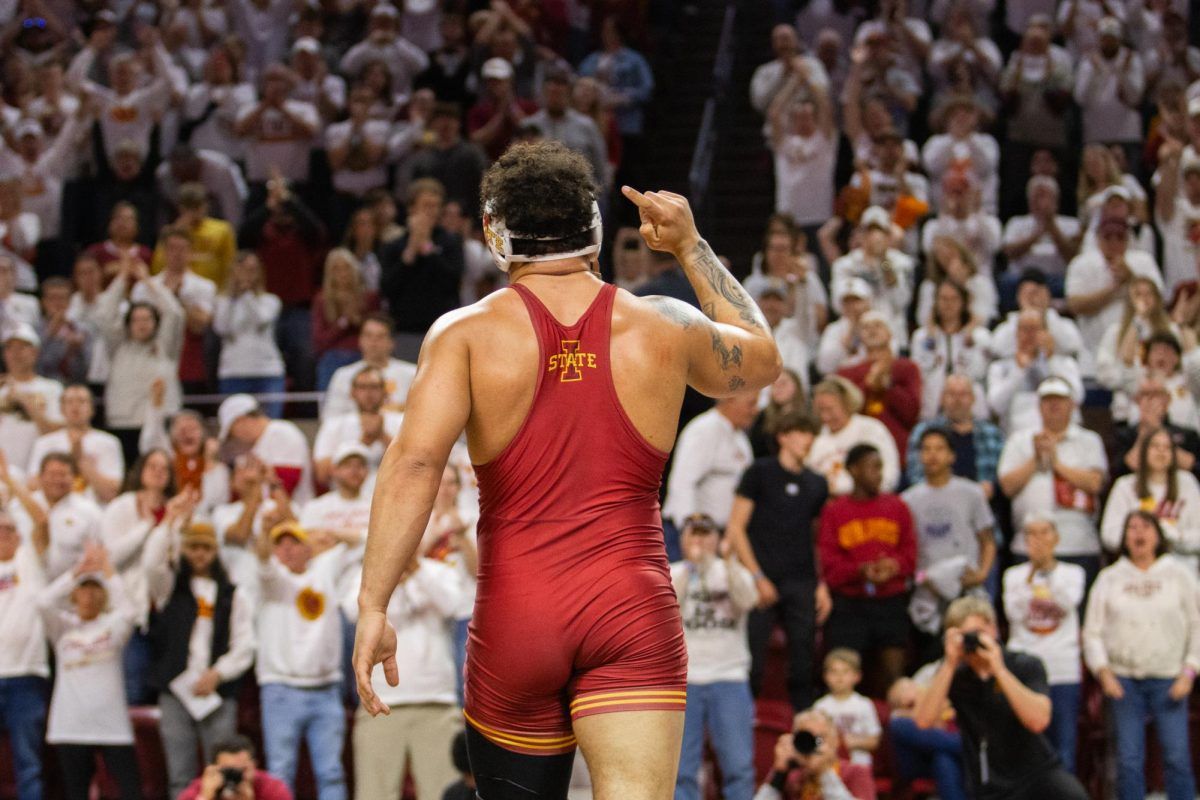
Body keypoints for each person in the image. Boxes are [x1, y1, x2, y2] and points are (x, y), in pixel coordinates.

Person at [353, 142, 780, 799]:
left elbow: (414, 464)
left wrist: (374, 602)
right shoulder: (662, 323)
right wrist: (691, 248)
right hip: (629, 607)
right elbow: (762, 361)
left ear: (496, 236)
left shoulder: (463, 334)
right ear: (596, 228)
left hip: (518, 612)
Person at [913, 596, 1088, 799]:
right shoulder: (955, 676)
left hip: (1037, 774)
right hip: (990, 783)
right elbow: (923, 720)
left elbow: (1038, 721)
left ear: (993, 629)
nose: (973, 642)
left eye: (978, 633)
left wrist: (999, 670)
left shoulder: (1024, 664)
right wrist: (949, 663)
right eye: (965, 635)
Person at [1083, 510, 1200, 800]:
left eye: (1145, 526)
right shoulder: (1110, 578)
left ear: (1158, 535)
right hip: (1124, 681)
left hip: (1170, 678)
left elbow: (1198, 624)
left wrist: (1190, 670)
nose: (1138, 533)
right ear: (1124, 538)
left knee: (1176, 757)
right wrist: (1103, 671)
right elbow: (1092, 632)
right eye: (1131, 527)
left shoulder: (1179, 574)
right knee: (1128, 760)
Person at [143, 516, 256, 799]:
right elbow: (151, 565)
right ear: (184, 550)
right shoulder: (170, 588)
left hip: (216, 693)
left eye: (205, 548)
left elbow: (245, 644)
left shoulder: (232, 594)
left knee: (224, 774)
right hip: (176, 690)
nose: (199, 554)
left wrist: (218, 674)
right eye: (193, 547)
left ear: (215, 551)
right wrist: (169, 523)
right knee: (179, 776)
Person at [726, 411, 829, 710]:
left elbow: (818, 538)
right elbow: (736, 527)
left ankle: (802, 723)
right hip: (762, 576)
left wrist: (822, 584)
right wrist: (757, 576)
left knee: (803, 662)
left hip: (802, 579)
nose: (807, 440)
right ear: (783, 436)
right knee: (753, 662)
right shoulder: (759, 472)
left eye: (811, 434)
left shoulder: (817, 483)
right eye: (800, 432)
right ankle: (747, 722)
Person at [343, 547, 463, 800]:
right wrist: (390, 579)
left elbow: (454, 605)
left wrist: (416, 570)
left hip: (436, 702)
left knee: (442, 793)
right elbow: (350, 610)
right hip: (379, 702)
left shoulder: (438, 571)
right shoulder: (369, 574)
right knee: (374, 794)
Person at [255, 520, 356, 800]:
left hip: (325, 690)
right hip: (281, 690)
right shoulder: (272, 581)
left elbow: (363, 542)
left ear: (308, 548)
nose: (286, 550)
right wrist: (264, 535)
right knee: (280, 773)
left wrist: (334, 532)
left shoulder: (324, 571)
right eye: (280, 544)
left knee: (331, 773)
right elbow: (263, 562)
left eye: (294, 543)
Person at [39, 544, 142, 800]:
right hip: (70, 725)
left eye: (96, 589)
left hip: (112, 726)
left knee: (130, 790)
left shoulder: (112, 627)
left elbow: (129, 611)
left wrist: (107, 570)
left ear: (104, 595)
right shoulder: (62, 628)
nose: (89, 595)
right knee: (76, 792)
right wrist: (76, 571)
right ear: (74, 594)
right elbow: (43, 602)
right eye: (84, 589)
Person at [671, 513, 758, 800]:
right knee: (681, 770)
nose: (699, 541)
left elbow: (748, 601)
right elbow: (668, 613)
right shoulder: (672, 574)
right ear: (683, 540)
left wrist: (729, 564)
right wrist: (691, 571)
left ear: (717, 538)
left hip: (729, 676)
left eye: (705, 534)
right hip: (686, 681)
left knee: (739, 767)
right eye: (693, 534)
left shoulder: (733, 571)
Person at [818, 443, 917, 693]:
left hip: (890, 599)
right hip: (849, 603)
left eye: (880, 468)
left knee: (895, 674)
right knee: (843, 673)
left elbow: (911, 553)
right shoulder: (835, 511)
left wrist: (894, 566)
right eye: (872, 467)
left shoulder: (897, 506)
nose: (879, 474)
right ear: (853, 470)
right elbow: (829, 564)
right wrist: (860, 570)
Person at [998, 376, 1109, 585]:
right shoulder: (1019, 440)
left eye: (1059, 400)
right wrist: (1036, 459)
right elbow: (1007, 487)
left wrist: (1056, 463)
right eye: (1048, 401)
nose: (1054, 405)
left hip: (1078, 544)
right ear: (1039, 407)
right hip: (1028, 545)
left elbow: (1095, 484)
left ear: (1072, 405)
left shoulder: (1088, 440)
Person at [1003, 516, 1086, 773]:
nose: (1038, 540)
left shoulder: (1073, 573)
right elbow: (1014, 613)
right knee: (1025, 749)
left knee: (1063, 750)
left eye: (1044, 533)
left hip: (1062, 669)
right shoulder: (1014, 575)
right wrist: (1031, 575)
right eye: (1032, 534)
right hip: (1025, 671)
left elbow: (1066, 602)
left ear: (1056, 538)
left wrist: (1047, 572)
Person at [902, 428, 996, 653]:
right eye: (926, 449)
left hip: (965, 587)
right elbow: (906, 550)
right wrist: (922, 579)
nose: (933, 455)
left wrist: (982, 573)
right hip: (927, 591)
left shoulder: (971, 493)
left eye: (939, 449)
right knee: (931, 656)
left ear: (952, 455)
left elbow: (988, 540)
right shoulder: (908, 500)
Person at [0, 508, 49, 800]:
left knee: (28, 765)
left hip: (26, 677)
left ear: (19, 535)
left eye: (9, 529)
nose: (4, 534)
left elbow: (42, 521)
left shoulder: (29, 560)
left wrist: (11, 481)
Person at [1102, 427, 1200, 567]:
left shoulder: (1187, 483)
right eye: (1155, 446)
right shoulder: (1125, 486)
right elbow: (1109, 535)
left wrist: (1176, 537)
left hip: (1181, 567)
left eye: (1167, 447)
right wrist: (1141, 539)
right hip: (1137, 568)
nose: (1161, 451)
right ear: (1143, 451)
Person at [379, 179, 465, 336]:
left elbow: (452, 282)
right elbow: (387, 288)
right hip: (404, 328)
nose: (433, 211)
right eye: (426, 205)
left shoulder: (451, 241)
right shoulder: (393, 245)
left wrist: (427, 248)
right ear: (411, 208)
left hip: (443, 327)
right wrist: (410, 252)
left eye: (436, 206)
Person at [663, 393, 757, 532]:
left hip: (718, 534)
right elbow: (683, 483)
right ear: (730, 399)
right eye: (751, 404)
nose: (755, 410)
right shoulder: (704, 429)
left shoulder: (741, 439)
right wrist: (692, 530)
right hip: (689, 533)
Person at [835, 311, 921, 460]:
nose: (872, 330)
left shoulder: (907, 368)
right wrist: (868, 385)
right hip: (858, 450)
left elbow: (912, 413)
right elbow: (843, 412)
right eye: (866, 327)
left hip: (900, 450)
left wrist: (887, 386)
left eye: (878, 325)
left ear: (890, 333)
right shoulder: (846, 372)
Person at [213, 252, 286, 417]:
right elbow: (221, 328)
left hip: (267, 373)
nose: (247, 275)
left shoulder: (270, 300)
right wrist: (233, 296)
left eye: (252, 270)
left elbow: (261, 318)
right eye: (242, 270)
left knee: (269, 427)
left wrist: (246, 294)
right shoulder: (222, 301)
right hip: (233, 373)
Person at [986, 309, 1083, 433]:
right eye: (1024, 329)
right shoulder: (1000, 367)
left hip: (1061, 432)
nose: (1029, 335)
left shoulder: (1065, 363)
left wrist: (1051, 360)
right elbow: (996, 406)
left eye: (1035, 329)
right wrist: (1019, 371)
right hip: (1017, 434)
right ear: (1016, 333)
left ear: (1046, 332)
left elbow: (1076, 398)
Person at [906, 375, 1005, 496]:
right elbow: (915, 477)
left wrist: (991, 488)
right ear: (942, 399)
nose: (957, 400)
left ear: (973, 398)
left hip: (981, 504)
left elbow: (1003, 478)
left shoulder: (992, 434)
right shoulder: (923, 432)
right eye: (951, 394)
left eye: (963, 394)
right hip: (936, 501)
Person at [28, 385, 123, 506]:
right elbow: (32, 486)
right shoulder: (44, 442)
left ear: (92, 409)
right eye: (70, 402)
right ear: (61, 409)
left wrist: (84, 464)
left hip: (94, 510)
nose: (75, 406)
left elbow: (110, 493)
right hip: (51, 510)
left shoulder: (109, 442)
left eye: (82, 401)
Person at [910, 281, 991, 421]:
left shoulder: (980, 336)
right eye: (943, 299)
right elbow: (920, 372)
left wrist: (968, 343)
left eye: (954, 298)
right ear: (935, 302)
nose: (948, 304)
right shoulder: (921, 337)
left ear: (964, 302)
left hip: (971, 411)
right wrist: (931, 342)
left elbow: (980, 372)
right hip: (932, 407)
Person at [752, 709, 876, 800]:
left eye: (820, 738)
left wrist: (824, 772)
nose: (814, 746)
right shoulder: (791, 776)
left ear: (836, 741)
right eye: (807, 739)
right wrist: (779, 774)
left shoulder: (857, 772)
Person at [312, 366, 403, 487]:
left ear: (385, 392)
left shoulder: (401, 421)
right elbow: (321, 474)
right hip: (344, 500)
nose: (368, 393)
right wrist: (364, 441)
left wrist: (382, 436)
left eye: (374, 387)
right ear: (352, 393)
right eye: (362, 387)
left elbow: (415, 466)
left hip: (392, 493)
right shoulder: (333, 425)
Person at [807, 377, 900, 495]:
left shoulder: (870, 429)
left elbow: (889, 473)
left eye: (830, 409)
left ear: (846, 404)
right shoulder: (817, 436)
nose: (825, 416)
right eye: (820, 410)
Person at [217, 394, 314, 506]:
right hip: (259, 513)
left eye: (232, 433)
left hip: (293, 511)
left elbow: (287, 486)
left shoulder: (282, 433)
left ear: (241, 421)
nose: (235, 438)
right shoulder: (252, 445)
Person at [0, 323, 65, 470]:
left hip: (37, 473)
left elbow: (57, 434)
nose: (16, 353)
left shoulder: (52, 388)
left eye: (22, 347)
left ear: (35, 352)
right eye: (10, 348)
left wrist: (25, 402)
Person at [813, 649, 880, 768]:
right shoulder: (820, 706)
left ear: (857, 676)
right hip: (828, 766)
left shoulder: (864, 704)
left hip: (859, 765)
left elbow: (874, 740)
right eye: (834, 672)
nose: (839, 677)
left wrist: (853, 742)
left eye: (845, 672)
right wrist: (828, 743)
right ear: (825, 676)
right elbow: (814, 738)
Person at [177, 735, 293, 800]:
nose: (236, 776)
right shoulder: (202, 786)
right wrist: (205, 797)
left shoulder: (272, 787)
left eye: (242, 770)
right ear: (213, 769)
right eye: (228, 770)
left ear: (254, 766)